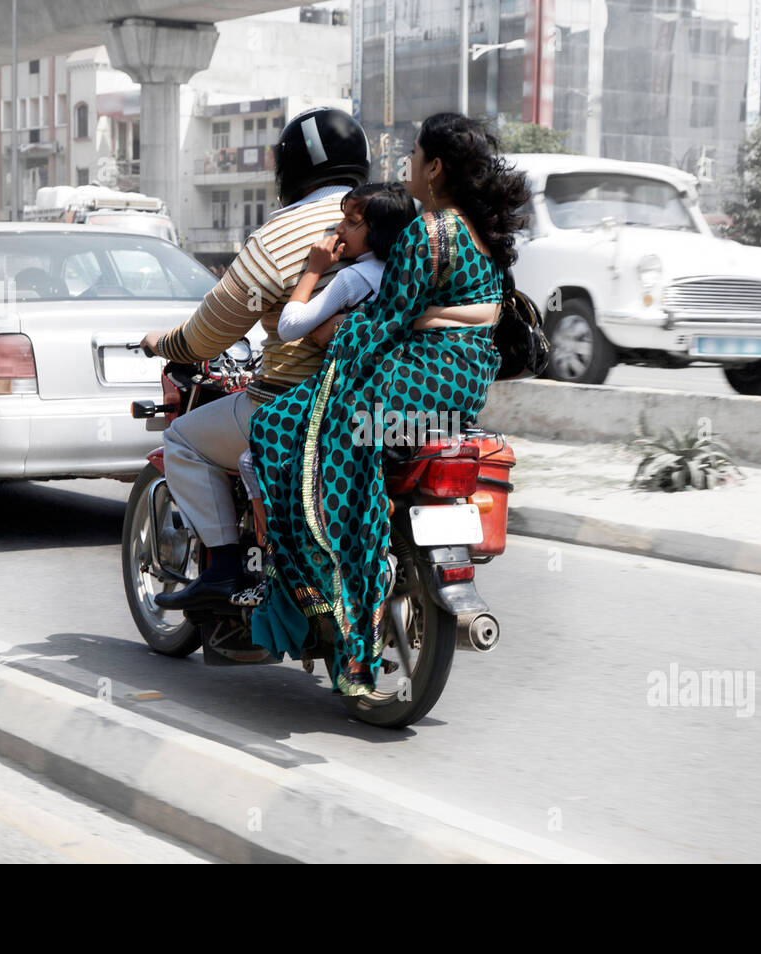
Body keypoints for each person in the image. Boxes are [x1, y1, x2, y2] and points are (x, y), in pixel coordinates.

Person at [246, 112, 532, 695]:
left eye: (413, 157)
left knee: (283, 432)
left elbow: (383, 323)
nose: (405, 169)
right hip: (461, 387)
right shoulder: (480, 232)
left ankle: (351, 639)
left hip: (411, 383)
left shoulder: (429, 232)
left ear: (434, 168)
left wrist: (326, 334)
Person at [137, 106, 373, 610]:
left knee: (183, 440)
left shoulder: (280, 237)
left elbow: (208, 335)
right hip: (384, 399)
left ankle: (225, 570)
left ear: (291, 171)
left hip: (296, 405)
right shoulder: (399, 218)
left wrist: (165, 343)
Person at [232, 182, 417, 601]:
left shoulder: (354, 277)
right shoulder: (409, 275)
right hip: (398, 396)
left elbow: (291, 325)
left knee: (252, 457)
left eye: (352, 223)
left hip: (345, 395)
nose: (338, 229)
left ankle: (274, 560)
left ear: (380, 233)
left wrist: (314, 269)